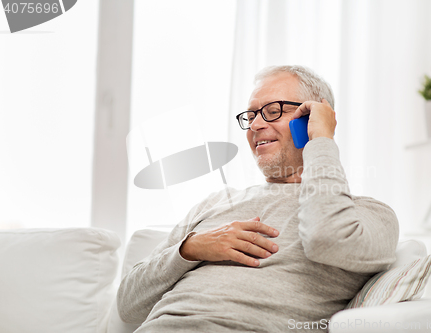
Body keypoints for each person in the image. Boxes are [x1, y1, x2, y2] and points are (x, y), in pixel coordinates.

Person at [117, 65, 399, 332]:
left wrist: (321, 140)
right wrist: (190, 249)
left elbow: (325, 239)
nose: (255, 125)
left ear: (315, 115)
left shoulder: (369, 214)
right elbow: (127, 304)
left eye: (273, 111)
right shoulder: (216, 202)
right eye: (251, 116)